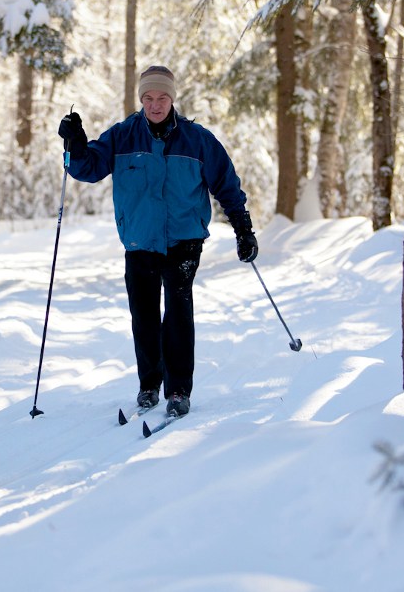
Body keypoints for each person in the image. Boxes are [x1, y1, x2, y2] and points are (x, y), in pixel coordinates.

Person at [57, 65, 258, 417]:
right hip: (139, 241)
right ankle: (149, 384)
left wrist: (243, 228)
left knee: (178, 314)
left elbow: (226, 184)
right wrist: (75, 143)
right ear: (141, 100)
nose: (155, 104)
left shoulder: (197, 140)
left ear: (173, 99)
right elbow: (87, 168)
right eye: (148, 98)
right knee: (144, 315)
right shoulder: (122, 136)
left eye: (162, 97)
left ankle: (178, 390)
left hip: (183, 240)